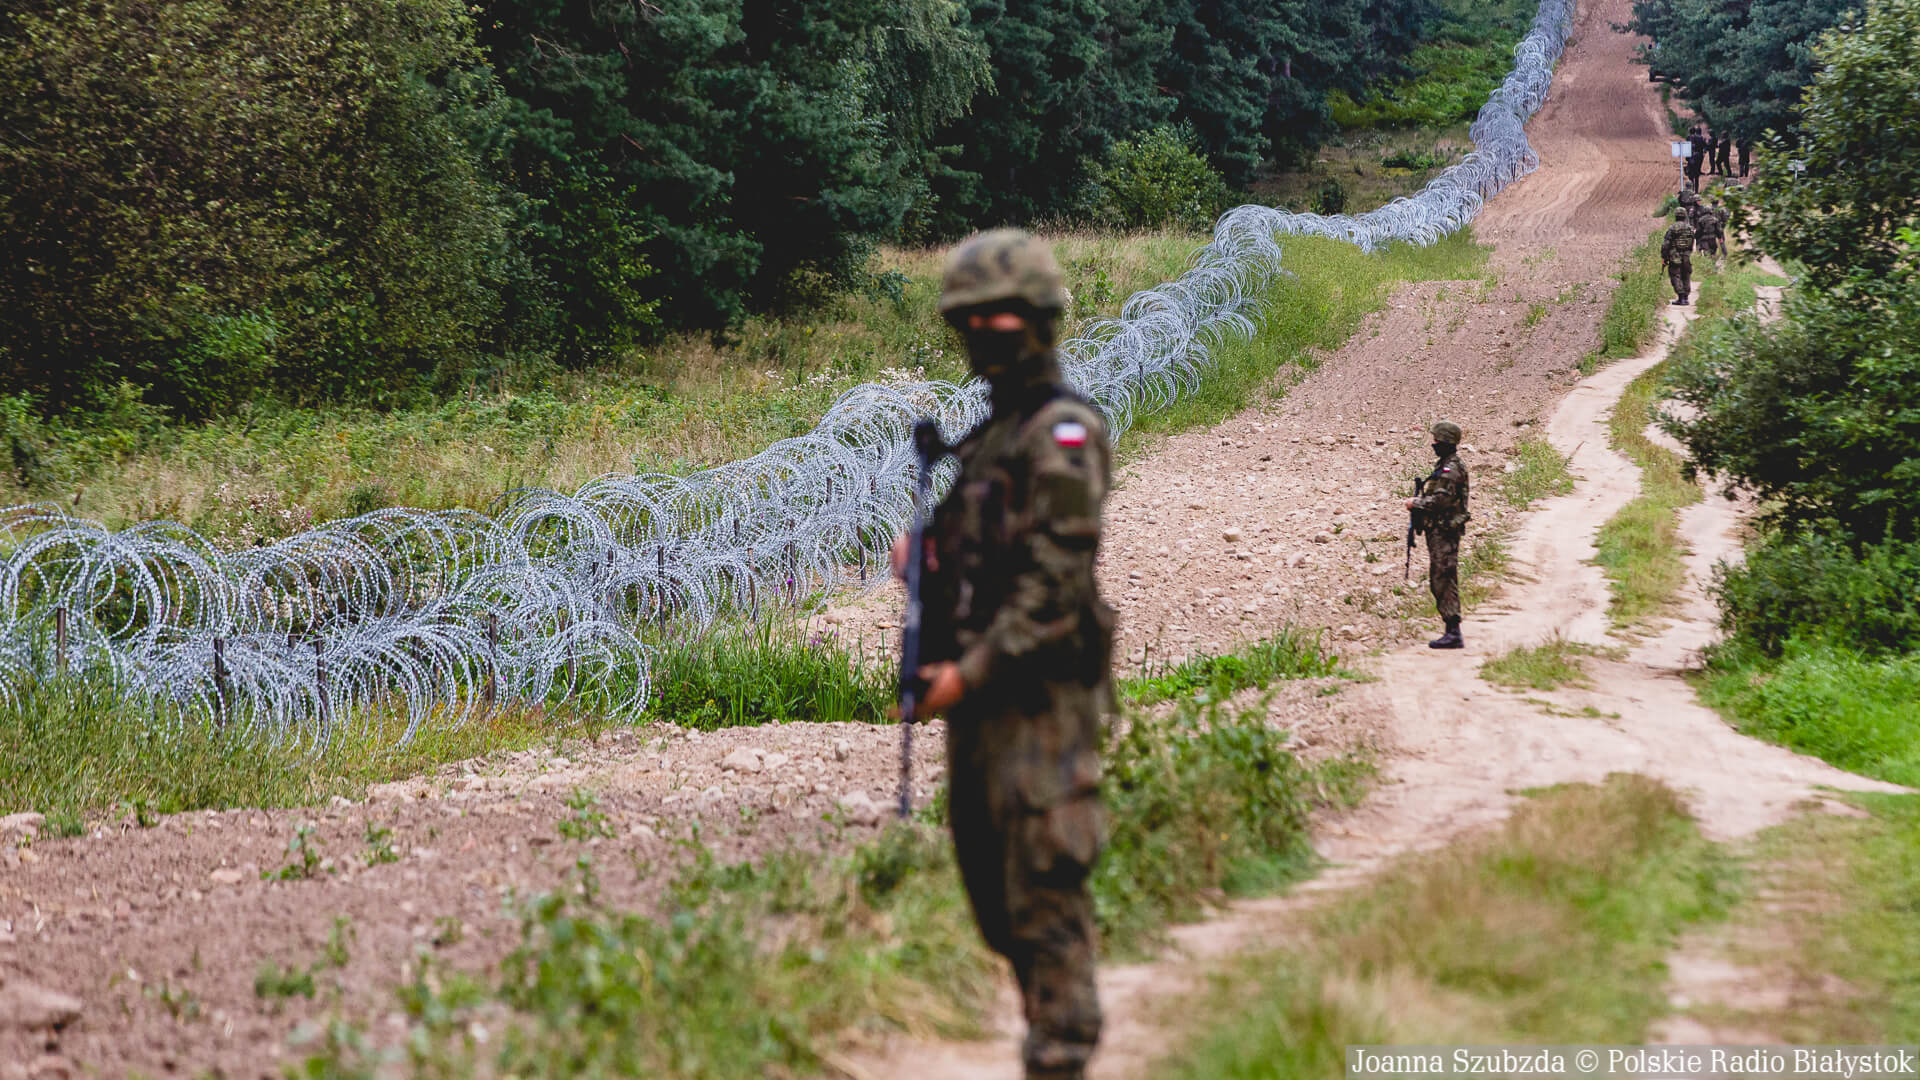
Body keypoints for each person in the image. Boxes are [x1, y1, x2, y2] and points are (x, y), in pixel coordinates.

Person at [893, 228, 1115, 1080]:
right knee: (996, 900)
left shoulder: (1059, 435)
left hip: (1038, 703)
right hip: (980, 704)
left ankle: (1060, 1055)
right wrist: (928, 565)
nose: (982, 334)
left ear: (1035, 320)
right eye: (970, 319)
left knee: (1044, 893)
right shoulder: (990, 439)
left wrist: (965, 673)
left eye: (998, 318)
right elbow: (986, 564)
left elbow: (1054, 592)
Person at [1406, 420, 1471, 650]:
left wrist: (1416, 503)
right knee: (1440, 577)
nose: (1433, 444)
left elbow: (1441, 501)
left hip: (1445, 531)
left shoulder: (1450, 469)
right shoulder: (1446, 465)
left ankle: (1453, 631)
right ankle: (1451, 629)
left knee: (1443, 577)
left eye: (1436, 440)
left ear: (1444, 442)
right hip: (1440, 531)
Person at [1662, 209, 1695, 305]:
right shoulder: (1690, 228)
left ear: (1675, 216)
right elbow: (1692, 241)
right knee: (1686, 275)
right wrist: (1688, 252)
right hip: (1686, 255)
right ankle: (1686, 297)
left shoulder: (1672, 228)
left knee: (1675, 275)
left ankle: (1681, 298)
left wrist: (1664, 257)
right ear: (1685, 216)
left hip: (1674, 255)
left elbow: (1666, 244)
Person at [1686, 126, 1709, 191]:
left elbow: (1688, 147)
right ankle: (1696, 190)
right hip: (1699, 156)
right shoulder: (1701, 138)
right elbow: (1705, 146)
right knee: (1696, 174)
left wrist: (1687, 157)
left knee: (1690, 174)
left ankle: (1691, 190)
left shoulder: (1690, 137)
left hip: (1692, 156)